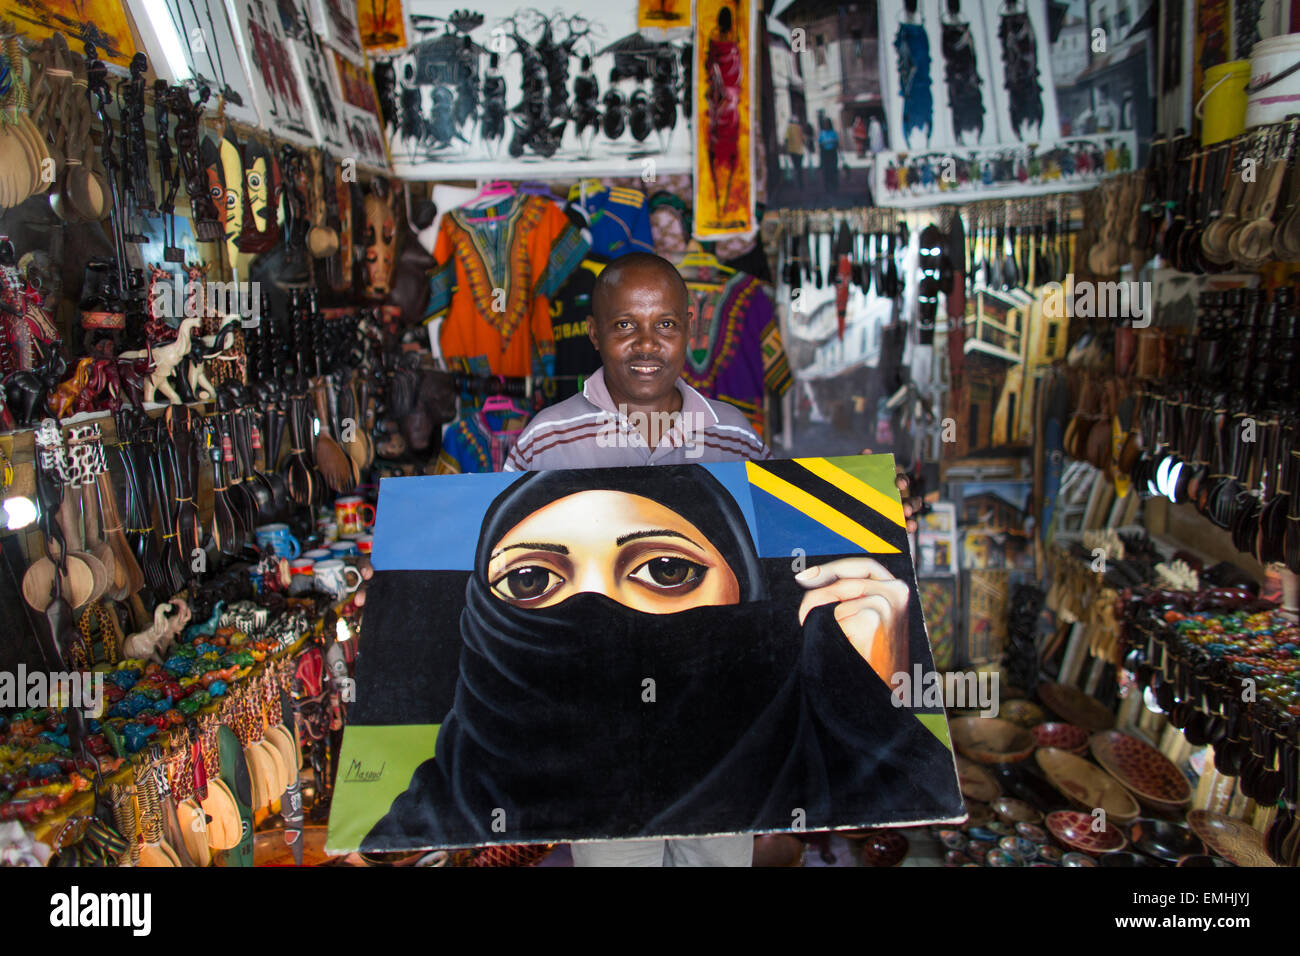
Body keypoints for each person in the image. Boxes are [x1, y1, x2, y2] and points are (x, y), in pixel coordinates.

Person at [356, 254, 927, 866]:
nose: (647, 344)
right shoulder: (549, 438)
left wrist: (882, 524)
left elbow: (775, 563)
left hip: (720, 714)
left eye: (666, 325)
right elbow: (492, 556)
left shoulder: (732, 434)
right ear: (597, 334)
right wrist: (392, 589)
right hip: (592, 727)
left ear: (689, 330)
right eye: (625, 326)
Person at [359, 465, 960, 857]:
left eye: (666, 571)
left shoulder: (792, 739)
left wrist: (861, 697)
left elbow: (849, 829)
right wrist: (382, 609)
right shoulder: (446, 802)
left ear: (744, 588)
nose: (595, 613)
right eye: (533, 578)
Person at [818, 116, 840, 193]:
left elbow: (837, 143)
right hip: (825, 153)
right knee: (826, 171)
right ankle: (827, 187)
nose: (826, 125)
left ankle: (834, 186)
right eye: (825, 124)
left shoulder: (833, 133)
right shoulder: (822, 133)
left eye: (827, 124)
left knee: (833, 170)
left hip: (832, 152)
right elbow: (820, 144)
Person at [785, 116, 805, 188]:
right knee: (799, 166)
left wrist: (786, 148)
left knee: (795, 166)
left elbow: (786, 139)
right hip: (800, 150)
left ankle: (797, 183)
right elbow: (803, 138)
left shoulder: (788, 128)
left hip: (792, 150)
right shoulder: (800, 128)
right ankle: (801, 183)